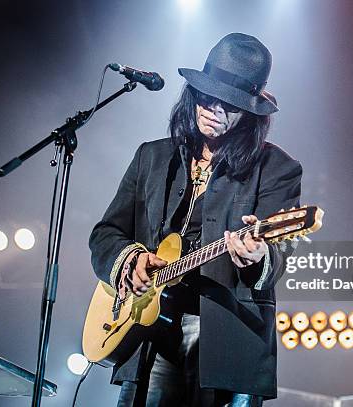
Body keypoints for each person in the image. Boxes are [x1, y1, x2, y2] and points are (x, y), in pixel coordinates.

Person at [89, 33, 302, 406]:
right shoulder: (152, 157)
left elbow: (277, 255)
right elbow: (106, 233)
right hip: (147, 330)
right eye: (207, 94)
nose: (213, 108)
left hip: (227, 336)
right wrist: (130, 260)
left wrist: (257, 256)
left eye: (229, 104)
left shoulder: (277, 169)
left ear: (250, 111)